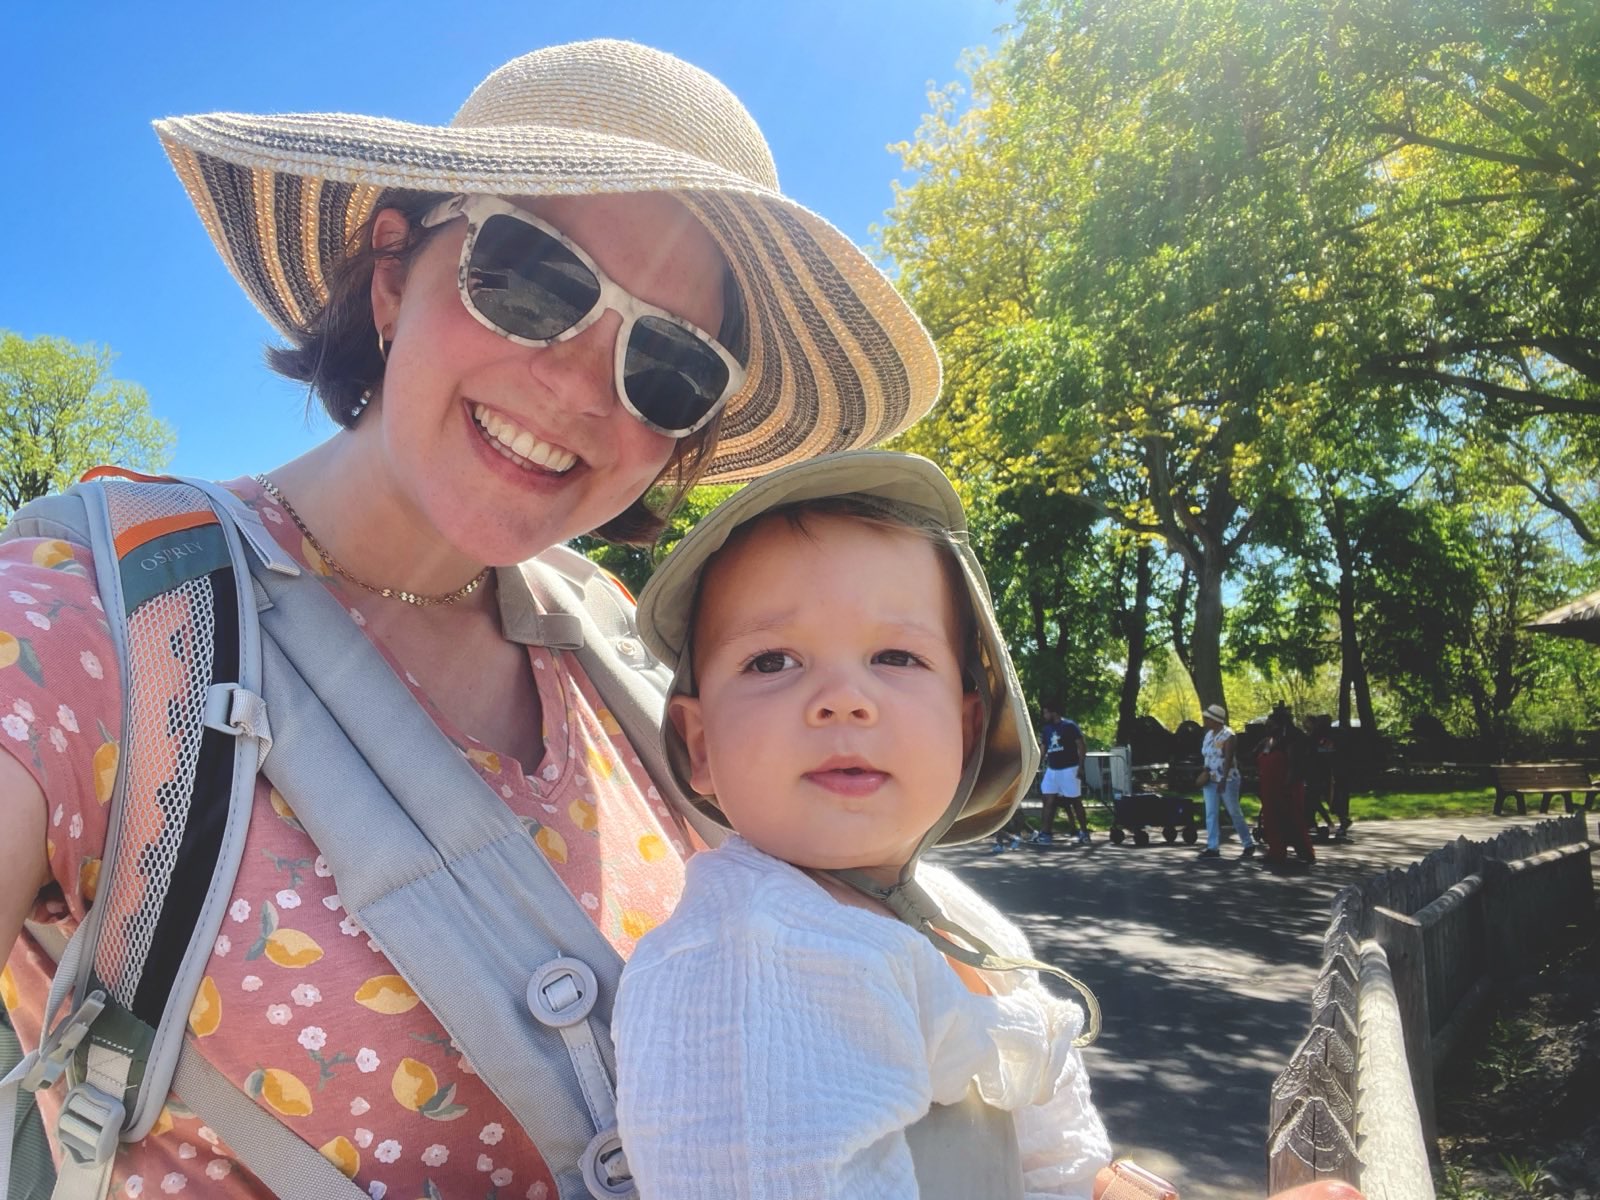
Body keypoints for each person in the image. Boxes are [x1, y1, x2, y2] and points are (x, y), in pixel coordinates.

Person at [0, 40, 944, 1199]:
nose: (583, 386)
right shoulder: (82, 622)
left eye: (671, 365)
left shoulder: (624, 660)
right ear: (392, 271)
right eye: (534, 279)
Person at [614, 451, 1112, 1198]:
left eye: (896, 656)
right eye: (773, 660)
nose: (844, 699)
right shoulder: (749, 962)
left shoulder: (962, 922)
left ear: (967, 725)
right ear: (700, 745)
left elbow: (1061, 1162)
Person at [1255, 704, 1316, 871]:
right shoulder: (1268, 741)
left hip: (1287, 786)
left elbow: (1294, 764)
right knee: (1272, 819)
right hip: (1269, 785)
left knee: (1293, 818)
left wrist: (1288, 783)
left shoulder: (1292, 739)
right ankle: (1276, 851)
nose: (1267, 728)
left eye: (1270, 725)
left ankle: (1304, 851)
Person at [1196, 702, 1257, 861]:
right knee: (1211, 812)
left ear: (1215, 720)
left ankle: (1248, 843)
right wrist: (1204, 771)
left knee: (1234, 812)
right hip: (1210, 778)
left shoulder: (1228, 735)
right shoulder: (1208, 735)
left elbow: (1228, 758)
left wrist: (1223, 779)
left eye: (1208, 717)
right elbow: (1208, 756)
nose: (1205, 720)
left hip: (1227, 779)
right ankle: (1212, 847)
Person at [1036, 705, 1091, 846]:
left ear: (1054, 712)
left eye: (1046, 712)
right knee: (1048, 799)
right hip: (1052, 769)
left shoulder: (1069, 726)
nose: (1044, 716)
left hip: (1069, 769)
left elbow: (1081, 745)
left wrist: (1080, 766)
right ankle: (1046, 833)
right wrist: (1036, 766)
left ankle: (1084, 832)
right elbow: (1043, 749)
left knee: (1075, 801)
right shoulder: (1046, 729)